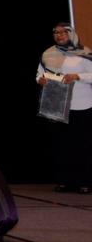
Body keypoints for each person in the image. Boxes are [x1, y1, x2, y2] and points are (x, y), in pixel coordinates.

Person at [36, 23, 92, 193]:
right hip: (57, 105)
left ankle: (85, 182)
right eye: (56, 33)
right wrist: (40, 80)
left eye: (63, 32)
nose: (59, 35)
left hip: (81, 105)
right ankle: (65, 181)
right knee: (62, 145)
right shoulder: (48, 53)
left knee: (82, 145)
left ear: (71, 34)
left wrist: (77, 76)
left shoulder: (84, 53)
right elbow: (39, 73)